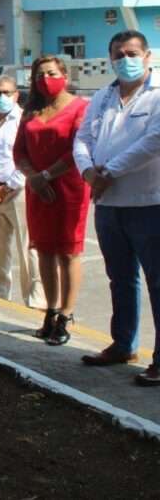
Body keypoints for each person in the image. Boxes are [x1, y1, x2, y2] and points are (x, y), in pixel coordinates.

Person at [75, 30, 160, 385]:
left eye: (131, 53)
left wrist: (109, 171)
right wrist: (88, 171)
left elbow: (154, 140)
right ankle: (123, 343)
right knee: (120, 279)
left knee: (158, 282)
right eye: (118, 54)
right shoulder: (102, 97)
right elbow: (82, 139)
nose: (125, 59)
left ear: (147, 57)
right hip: (108, 204)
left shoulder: (157, 96)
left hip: (149, 204)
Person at [13, 56, 91, 346]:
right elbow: (19, 151)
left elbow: (78, 151)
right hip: (37, 190)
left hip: (68, 189)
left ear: (64, 75)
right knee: (43, 251)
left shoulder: (81, 108)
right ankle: (51, 310)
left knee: (68, 252)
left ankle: (66, 315)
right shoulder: (31, 111)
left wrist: (46, 175)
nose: (45, 79)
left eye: (51, 73)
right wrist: (33, 176)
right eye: (39, 74)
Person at [0, 74, 46, 307]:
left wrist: (11, 185)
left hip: (19, 192)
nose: (1, 97)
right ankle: (0, 297)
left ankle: (35, 301)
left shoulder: (25, 121)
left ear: (16, 95)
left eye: (6, 93)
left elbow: (31, 158)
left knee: (28, 250)